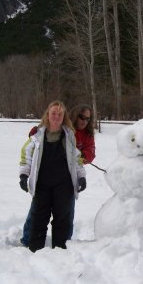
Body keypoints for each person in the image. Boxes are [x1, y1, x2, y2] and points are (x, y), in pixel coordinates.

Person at [20, 103, 96, 247]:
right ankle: (31, 244)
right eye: (81, 117)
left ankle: (62, 249)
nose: (84, 121)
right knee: (37, 216)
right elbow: (27, 156)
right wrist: (24, 175)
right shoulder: (37, 134)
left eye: (87, 119)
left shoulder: (71, 135)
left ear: (64, 117)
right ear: (47, 115)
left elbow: (78, 158)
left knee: (64, 218)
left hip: (64, 184)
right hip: (42, 183)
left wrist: (81, 176)